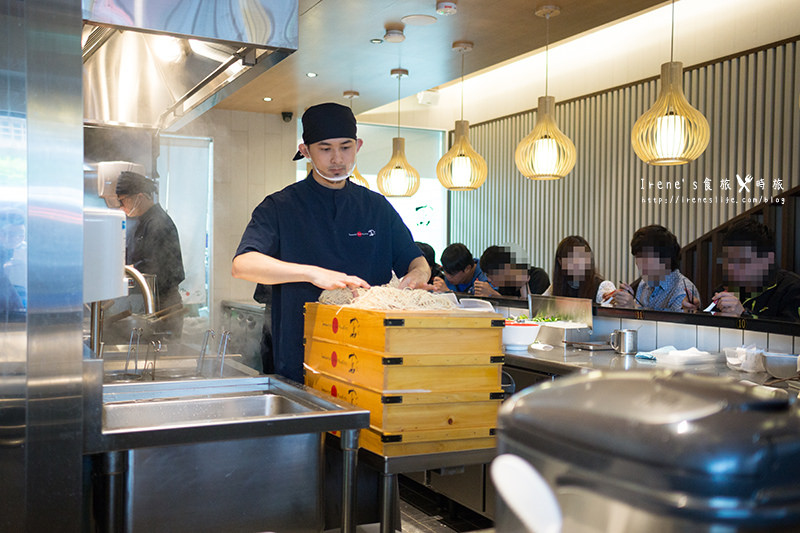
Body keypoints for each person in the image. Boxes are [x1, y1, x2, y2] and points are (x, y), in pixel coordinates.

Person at [232, 102, 430, 383]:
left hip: (367, 357)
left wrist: (417, 276)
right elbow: (242, 264)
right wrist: (312, 273)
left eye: (345, 147)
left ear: (358, 146)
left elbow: (415, 259)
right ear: (306, 151)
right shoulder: (280, 206)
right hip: (300, 359)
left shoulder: (376, 207)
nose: (337, 158)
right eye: (325, 149)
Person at [684, 218, 800, 321]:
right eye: (728, 261)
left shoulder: (791, 289)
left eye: (741, 261)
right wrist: (695, 313)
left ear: (767, 259)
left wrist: (744, 316)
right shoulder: (728, 288)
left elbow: (791, 339)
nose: (731, 268)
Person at [116, 171, 186, 338]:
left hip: (163, 305)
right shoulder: (143, 222)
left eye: (123, 200)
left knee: (160, 356)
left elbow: (155, 265)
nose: (121, 206)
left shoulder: (158, 223)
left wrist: (130, 269)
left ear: (139, 197)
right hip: (150, 301)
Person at [611, 224, 699, 312]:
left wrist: (633, 308)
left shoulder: (683, 291)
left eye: (646, 258)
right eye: (638, 257)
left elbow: (674, 324)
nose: (639, 263)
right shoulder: (644, 285)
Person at [544, 236, 615, 303]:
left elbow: (612, 305)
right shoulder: (556, 286)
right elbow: (540, 306)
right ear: (560, 261)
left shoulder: (603, 286)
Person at [475, 245, 550, 298]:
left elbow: (534, 312)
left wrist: (493, 294)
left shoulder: (538, 276)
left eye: (490, 275)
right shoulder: (505, 283)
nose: (488, 279)